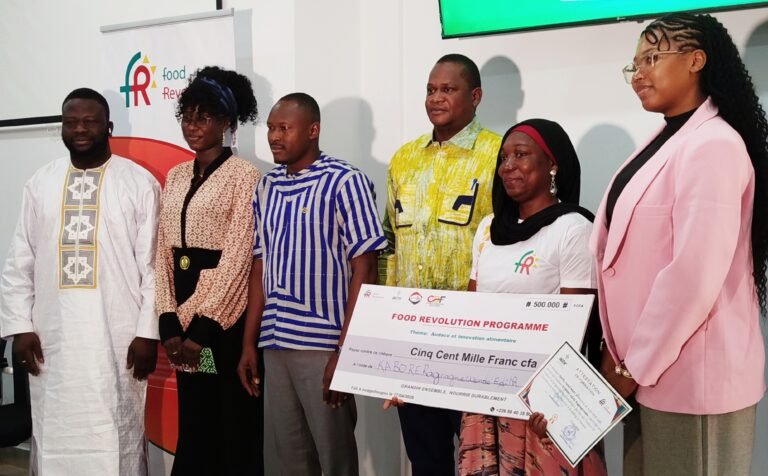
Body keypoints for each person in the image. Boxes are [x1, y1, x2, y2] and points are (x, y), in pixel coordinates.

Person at [591, 12, 768, 476]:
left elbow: (693, 275)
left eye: (651, 58)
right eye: (634, 65)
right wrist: (621, 356)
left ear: (695, 60)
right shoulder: (666, 139)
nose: (639, 74)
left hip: (691, 376)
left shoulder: (714, 145)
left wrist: (633, 367)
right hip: (644, 370)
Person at [0, 88, 160, 475]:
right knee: (56, 438)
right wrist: (19, 327)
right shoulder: (41, 182)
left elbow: (154, 265)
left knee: (116, 437)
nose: (80, 129)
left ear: (109, 126)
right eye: (71, 122)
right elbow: (20, 259)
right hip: (52, 340)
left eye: (89, 121)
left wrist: (148, 332)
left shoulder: (138, 183)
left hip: (117, 338)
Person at [238, 92, 386, 476]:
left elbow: (365, 269)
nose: (274, 136)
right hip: (275, 342)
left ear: (313, 130)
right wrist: (249, 343)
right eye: (271, 128)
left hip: (323, 346)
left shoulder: (346, 181)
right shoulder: (266, 186)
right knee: (287, 462)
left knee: (334, 459)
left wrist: (345, 352)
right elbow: (260, 265)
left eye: (284, 128)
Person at [456, 119, 607, 476]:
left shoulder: (572, 228)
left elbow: (576, 329)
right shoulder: (488, 228)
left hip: (544, 404)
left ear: (552, 164)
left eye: (521, 155)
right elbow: (469, 314)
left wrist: (552, 403)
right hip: (486, 394)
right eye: (503, 157)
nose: (507, 166)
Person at [381, 53, 501, 475]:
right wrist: (387, 322)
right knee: (425, 458)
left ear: (475, 96)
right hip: (412, 338)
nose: (436, 98)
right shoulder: (404, 158)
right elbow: (389, 245)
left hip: (473, 339)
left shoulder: (498, 153)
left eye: (448, 89)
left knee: (479, 459)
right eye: (431, 89)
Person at [155, 66, 262, 475]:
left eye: (204, 117)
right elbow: (164, 251)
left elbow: (237, 258)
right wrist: (169, 322)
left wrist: (201, 329)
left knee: (231, 422)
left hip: (221, 327)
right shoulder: (176, 175)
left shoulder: (245, 176)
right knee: (196, 419)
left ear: (227, 123)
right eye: (187, 116)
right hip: (182, 329)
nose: (193, 126)